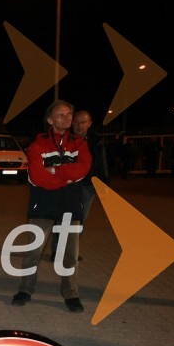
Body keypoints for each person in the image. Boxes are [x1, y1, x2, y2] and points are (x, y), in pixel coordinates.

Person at [11, 100, 91, 313]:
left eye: (68, 114)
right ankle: (25, 289)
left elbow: (83, 169)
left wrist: (56, 171)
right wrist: (66, 177)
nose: (66, 118)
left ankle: (71, 294)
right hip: (43, 205)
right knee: (33, 251)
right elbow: (37, 177)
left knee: (70, 254)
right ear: (50, 120)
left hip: (70, 205)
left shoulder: (80, 144)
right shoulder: (37, 145)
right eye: (61, 115)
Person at [50, 109, 109, 257]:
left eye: (83, 122)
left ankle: (71, 251)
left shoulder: (96, 141)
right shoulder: (65, 140)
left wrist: (104, 183)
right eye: (76, 122)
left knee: (79, 221)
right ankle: (57, 250)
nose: (79, 125)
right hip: (68, 187)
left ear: (89, 124)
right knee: (61, 219)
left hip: (88, 186)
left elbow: (102, 162)